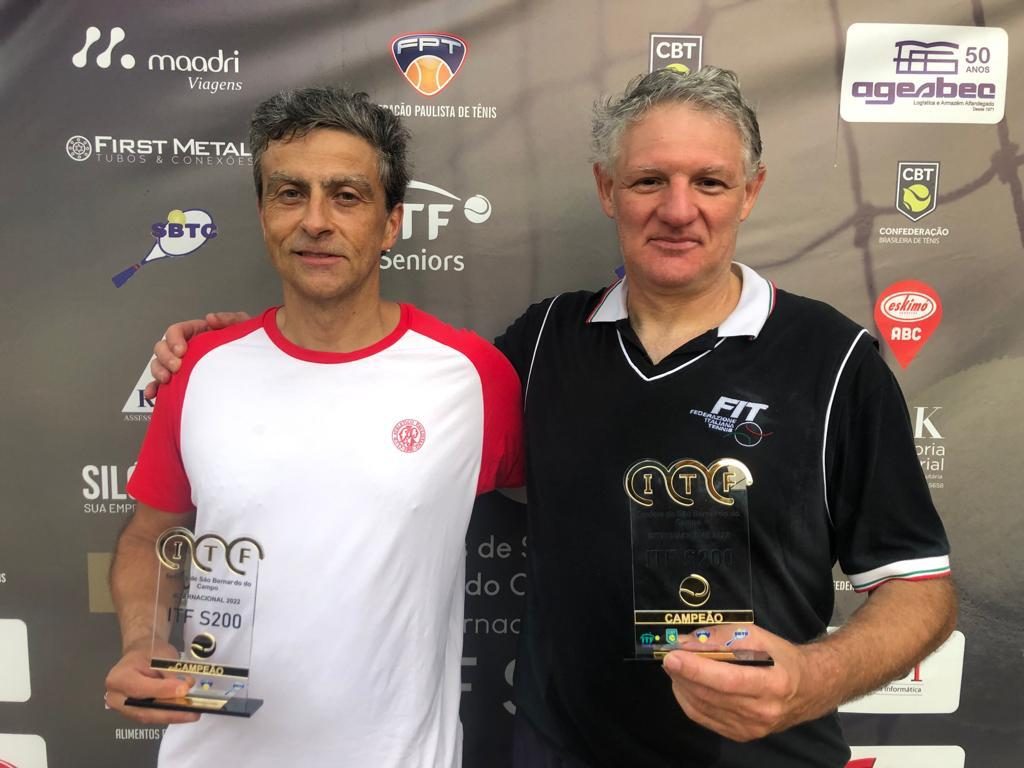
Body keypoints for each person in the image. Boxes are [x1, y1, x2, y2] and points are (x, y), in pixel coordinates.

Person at [146, 68, 956, 768]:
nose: (678, 210)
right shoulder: (539, 346)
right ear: (607, 190)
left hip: (761, 756)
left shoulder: (833, 360)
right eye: (649, 181)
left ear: (751, 191)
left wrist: (813, 678)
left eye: (709, 182)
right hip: (556, 751)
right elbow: (370, 388)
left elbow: (921, 590)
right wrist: (238, 352)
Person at [104, 86, 523, 768]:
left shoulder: (472, 377)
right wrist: (143, 642)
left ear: (391, 223)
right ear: (264, 213)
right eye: (290, 193)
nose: (316, 221)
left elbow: (574, 513)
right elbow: (150, 536)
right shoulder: (199, 367)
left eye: (347, 196)